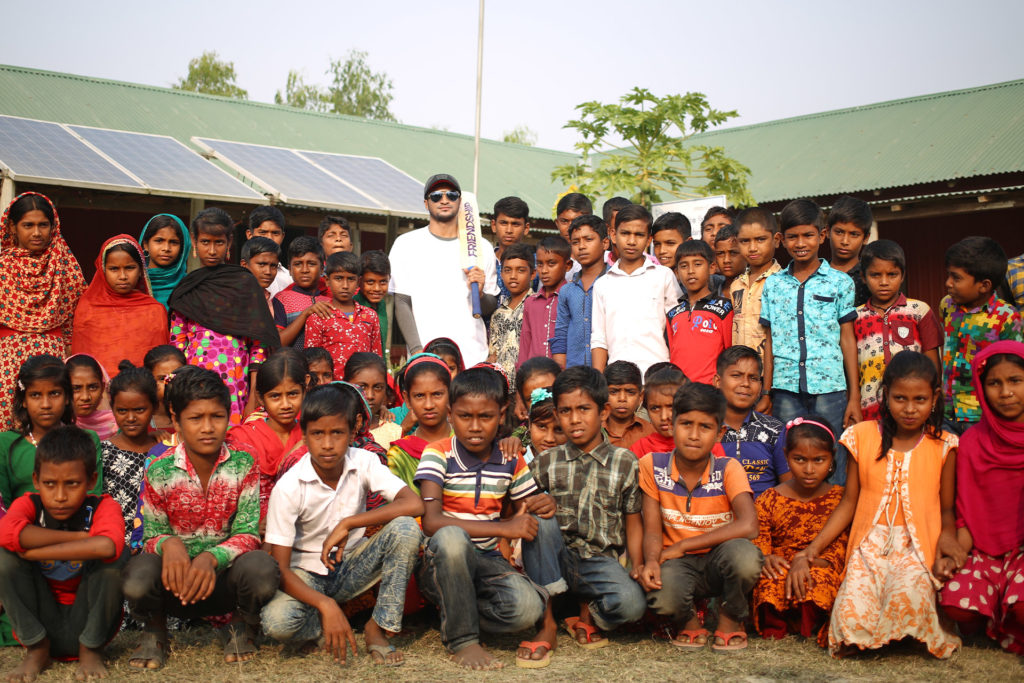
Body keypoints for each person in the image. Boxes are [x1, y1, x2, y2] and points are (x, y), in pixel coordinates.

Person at [791, 351, 962, 659]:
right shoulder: (862, 436)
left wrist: (947, 541)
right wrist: (811, 550)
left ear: (934, 398)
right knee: (849, 615)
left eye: (920, 400)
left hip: (916, 548)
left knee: (909, 594)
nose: (909, 409)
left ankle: (908, 630)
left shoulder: (944, 445)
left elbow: (947, 509)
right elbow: (849, 502)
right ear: (885, 394)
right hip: (868, 547)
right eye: (899, 398)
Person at [122, 365, 280, 669]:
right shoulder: (159, 469)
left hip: (223, 581)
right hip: (175, 582)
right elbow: (151, 535)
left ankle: (239, 625)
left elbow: (248, 533)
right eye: (195, 418)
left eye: (217, 417)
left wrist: (211, 558)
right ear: (177, 420)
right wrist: (170, 545)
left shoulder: (244, 462)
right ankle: (155, 630)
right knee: (137, 575)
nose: (207, 427)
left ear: (228, 417)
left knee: (262, 568)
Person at [262, 382, 423, 666]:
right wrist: (324, 604)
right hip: (305, 575)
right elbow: (282, 571)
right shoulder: (289, 487)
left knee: (406, 529)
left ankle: (378, 627)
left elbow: (414, 504)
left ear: (352, 431)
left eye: (336, 433)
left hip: (351, 566)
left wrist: (350, 522)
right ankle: (326, 622)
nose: (327, 444)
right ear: (304, 435)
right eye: (317, 434)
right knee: (277, 622)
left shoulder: (364, 461)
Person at [415, 367, 555, 670]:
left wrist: (543, 503)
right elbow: (433, 523)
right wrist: (504, 527)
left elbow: (528, 506)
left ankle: (454, 610)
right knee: (452, 538)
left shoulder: (508, 459)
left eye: (486, 417)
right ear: (450, 414)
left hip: (488, 561)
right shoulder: (438, 453)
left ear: (502, 414)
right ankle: (463, 640)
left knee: (526, 610)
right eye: (465, 417)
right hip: (441, 561)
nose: (475, 427)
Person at [523, 366, 647, 649]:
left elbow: (633, 520)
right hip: (553, 559)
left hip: (599, 562)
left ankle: (587, 612)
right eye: (565, 411)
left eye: (583, 409)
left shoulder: (624, 462)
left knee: (632, 605)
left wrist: (636, 566)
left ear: (603, 412)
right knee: (539, 516)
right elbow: (516, 505)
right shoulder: (547, 461)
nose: (574, 419)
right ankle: (547, 622)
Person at [637, 382, 762, 652]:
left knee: (745, 556)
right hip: (678, 564)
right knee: (661, 592)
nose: (694, 435)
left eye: (705, 427)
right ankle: (690, 621)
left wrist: (683, 545)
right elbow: (652, 530)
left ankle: (730, 617)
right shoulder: (652, 465)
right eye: (686, 424)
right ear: (672, 425)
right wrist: (650, 561)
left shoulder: (729, 468)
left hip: (720, 558)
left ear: (719, 433)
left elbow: (749, 525)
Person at [0, 426, 127, 681]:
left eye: (72, 484)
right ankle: (37, 649)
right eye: (49, 484)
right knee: (5, 557)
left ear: (91, 481)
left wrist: (33, 552)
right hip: (41, 620)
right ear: (36, 480)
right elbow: (7, 534)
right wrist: (81, 538)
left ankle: (90, 649)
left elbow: (106, 546)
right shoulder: (28, 504)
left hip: (89, 619)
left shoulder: (103, 505)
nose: (60, 496)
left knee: (116, 559)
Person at [939, 341, 1024, 654]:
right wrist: (956, 556)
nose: (1005, 393)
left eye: (1015, 381)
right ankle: (992, 615)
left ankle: (1006, 610)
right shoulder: (973, 441)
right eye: (994, 383)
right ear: (980, 387)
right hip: (982, 549)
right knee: (957, 607)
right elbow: (966, 509)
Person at [761, 199, 860, 454]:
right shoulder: (773, 285)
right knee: (789, 454)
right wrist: (767, 391)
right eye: (793, 237)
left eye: (808, 235)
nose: (800, 243)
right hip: (785, 389)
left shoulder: (840, 283)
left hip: (831, 389)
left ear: (822, 235)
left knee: (833, 455)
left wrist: (854, 397)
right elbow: (769, 340)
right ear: (781, 239)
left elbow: (848, 340)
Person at [168, 207, 280, 426]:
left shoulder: (244, 283)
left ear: (229, 243)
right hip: (193, 380)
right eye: (205, 242)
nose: (211, 250)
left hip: (237, 380)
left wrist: (253, 393)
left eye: (218, 243)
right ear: (194, 242)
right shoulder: (187, 288)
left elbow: (258, 343)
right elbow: (177, 343)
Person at [752, 416, 846, 640]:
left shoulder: (840, 500)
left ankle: (809, 625)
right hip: (781, 564)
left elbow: (842, 546)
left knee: (816, 581)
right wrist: (767, 558)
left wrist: (811, 563)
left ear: (832, 457)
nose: (809, 469)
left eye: (819, 460)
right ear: (786, 456)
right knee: (770, 581)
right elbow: (760, 537)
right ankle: (776, 627)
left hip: (819, 564)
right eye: (800, 459)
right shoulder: (769, 499)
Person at [388, 174, 498, 365]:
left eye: (452, 195)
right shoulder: (406, 244)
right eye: (436, 196)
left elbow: (490, 306)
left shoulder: (481, 247)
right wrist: (416, 350)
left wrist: (480, 294)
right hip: (426, 354)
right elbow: (402, 302)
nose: (444, 200)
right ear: (426, 203)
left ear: (460, 201)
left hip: (472, 356)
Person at [0, 192, 86, 430]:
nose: (36, 233)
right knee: (9, 431)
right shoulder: (2, 267)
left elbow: (73, 321)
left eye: (43, 225)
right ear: (13, 228)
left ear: (54, 226)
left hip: (52, 357)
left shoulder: (65, 266)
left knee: (52, 429)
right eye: (28, 225)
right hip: (7, 360)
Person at [940, 236, 1024, 435]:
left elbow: (1015, 366)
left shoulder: (1007, 317)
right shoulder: (947, 306)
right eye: (948, 276)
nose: (948, 283)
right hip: (947, 412)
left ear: (984, 286)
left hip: (982, 415)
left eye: (956, 278)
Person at [853, 240, 942, 421]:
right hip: (870, 408)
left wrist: (932, 398)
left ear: (902, 276)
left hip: (913, 406)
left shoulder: (919, 311)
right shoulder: (856, 317)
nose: (884, 282)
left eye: (892, 274)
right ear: (863, 277)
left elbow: (932, 361)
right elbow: (852, 368)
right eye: (876, 275)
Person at [0, 355, 104, 506]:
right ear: (24, 400)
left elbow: (92, 499)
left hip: (77, 526)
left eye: (54, 393)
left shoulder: (86, 439)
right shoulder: (5, 444)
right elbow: (3, 509)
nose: (46, 405)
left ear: (67, 397)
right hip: (20, 526)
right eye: (35, 395)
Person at [591, 204, 681, 374]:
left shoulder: (663, 276)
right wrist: (598, 380)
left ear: (648, 240)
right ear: (613, 235)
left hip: (659, 374)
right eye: (625, 233)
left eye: (639, 235)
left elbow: (678, 329)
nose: (631, 241)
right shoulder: (603, 284)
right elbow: (599, 339)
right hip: (618, 378)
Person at [226, 349, 308, 523]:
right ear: (261, 399)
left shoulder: (312, 435)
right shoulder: (242, 438)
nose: (286, 404)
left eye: (293, 394)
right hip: (253, 528)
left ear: (304, 392)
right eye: (275, 396)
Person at [71, 234, 168, 375]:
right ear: (103, 270)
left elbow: (159, 363)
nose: (122, 276)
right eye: (114, 269)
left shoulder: (154, 310)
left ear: (141, 270)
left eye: (130, 268)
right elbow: (80, 361)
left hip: (141, 390)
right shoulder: (88, 307)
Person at [102, 361, 170, 547]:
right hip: (112, 543)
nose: (130, 418)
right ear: (113, 408)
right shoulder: (103, 452)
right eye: (122, 410)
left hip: (156, 544)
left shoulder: (166, 450)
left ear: (155, 407)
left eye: (139, 410)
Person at [714, 346, 791, 497]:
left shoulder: (774, 430)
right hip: (714, 515)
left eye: (753, 378)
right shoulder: (705, 428)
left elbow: (789, 489)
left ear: (760, 386)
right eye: (736, 375)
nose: (746, 384)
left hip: (764, 515)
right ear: (718, 381)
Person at [730, 207, 783, 403]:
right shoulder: (736, 285)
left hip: (773, 377)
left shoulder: (782, 282)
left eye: (760, 240)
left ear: (776, 240)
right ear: (737, 242)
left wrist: (768, 389)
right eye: (745, 241)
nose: (752, 248)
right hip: (740, 376)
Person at [303, 251, 381, 379]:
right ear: (327, 281)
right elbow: (311, 362)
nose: (345, 285)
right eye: (338, 278)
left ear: (358, 282)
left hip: (362, 389)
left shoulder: (370, 316)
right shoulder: (318, 317)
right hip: (330, 390)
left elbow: (377, 358)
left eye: (351, 279)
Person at [667, 240, 733, 384]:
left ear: (712, 267)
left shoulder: (724, 308)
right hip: (680, 390)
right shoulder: (673, 314)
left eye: (697, 264)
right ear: (677, 272)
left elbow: (730, 353)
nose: (691, 271)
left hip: (712, 391)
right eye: (684, 266)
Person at [387, 354, 452, 491]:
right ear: (408, 400)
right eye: (419, 396)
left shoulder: (466, 443)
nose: (428, 405)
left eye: (437, 394)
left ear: (451, 394)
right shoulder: (399, 456)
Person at [552, 215, 609, 369]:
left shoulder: (615, 283)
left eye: (588, 239)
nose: (581, 246)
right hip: (574, 371)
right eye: (575, 242)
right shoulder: (566, 291)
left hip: (609, 371)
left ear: (605, 243)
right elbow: (561, 334)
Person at [273, 235, 333, 349]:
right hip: (294, 365)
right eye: (298, 264)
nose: (305, 270)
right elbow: (278, 343)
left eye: (311, 264)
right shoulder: (282, 299)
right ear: (289, 269)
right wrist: (305, 314)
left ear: (321, 269)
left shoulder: (330, 302)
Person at [517, 236, 569, 368]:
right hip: (533, 376)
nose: (544, 270)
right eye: (540, 264)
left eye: (551, 263)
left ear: (567, 265)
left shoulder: (571, 298)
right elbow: (525, 344)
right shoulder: (530, 303)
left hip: (562, 376)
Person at [489, 243, 535, 382]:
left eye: (520, 270)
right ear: (501, 273)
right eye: (507, 270)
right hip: (502, 386)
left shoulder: (536, 307)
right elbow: (493, 355)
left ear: (533, 274)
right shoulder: (498, 314)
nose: (513, 276)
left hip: (528, 383)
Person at [631, 365, 689, 458]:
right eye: (655, 408)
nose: (664, 416)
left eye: (671, 407)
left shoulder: (704, 446)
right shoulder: (640, 449)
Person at [344, 353, 400, 448]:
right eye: (362, 387)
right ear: (346, 385)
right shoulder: (332, 426)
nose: (370, 396)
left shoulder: (394, 432)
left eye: (378, 387)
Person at [826, 196, 873, 307]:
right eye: (839, 232)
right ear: (828, 231)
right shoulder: (816, 275)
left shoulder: (870, 277)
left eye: (854, 234)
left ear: (866, 238)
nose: (845, 241)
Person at [138, 213, 190, 309]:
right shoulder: (132, 283)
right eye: (159, 241)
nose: (166, 248)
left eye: (174, 242)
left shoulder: (190, 287)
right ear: (145, 244)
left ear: (182, 248)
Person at [354, 250, 395, 364]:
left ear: (389, 279)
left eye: (383, 282)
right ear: (359, 280)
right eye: (370, 282)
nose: (377, 288)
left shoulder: (381, 305)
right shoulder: (354, 306)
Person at [240, 237, 288, 331]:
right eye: (262, 264)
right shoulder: (230, 296)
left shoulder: (274, 303)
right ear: (244, 265)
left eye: (273, 266)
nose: (268, 272)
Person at [66, 353, 117, 441]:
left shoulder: (117, 425)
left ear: (102, 388)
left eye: (93, 387)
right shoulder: (57, 427)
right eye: (76, 388)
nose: (85, 397)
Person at [603, 360, 654, 449]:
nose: (622, 398)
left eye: (630, 392)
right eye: (614, 392)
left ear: (641, 396)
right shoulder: (592, 432)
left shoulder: (651, 433)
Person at [246, 206, 292, 296]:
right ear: (249, 235)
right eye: (263, 232)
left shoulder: (289, 279)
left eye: (275, 233)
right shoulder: (235, 278)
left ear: (282, 236)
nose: (269, 238)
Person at [491, 196, 531, 299]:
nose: (509, 230)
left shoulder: (536, 263)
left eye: (515, 224)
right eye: (504, 223)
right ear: (494, 225)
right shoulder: (483, 260)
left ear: (526, 228)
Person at [142, 345, 185, 435]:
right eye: (162, 378)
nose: (170, 382)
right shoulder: (142, 417)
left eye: (175, 376)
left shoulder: (193, 412)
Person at [523, 387, 567, 463]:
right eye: (542, 426)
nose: (549, 439)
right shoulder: (517, 464)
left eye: (559, 429)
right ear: (530, 424)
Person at [712, 224, 745, 295]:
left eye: (733, 253)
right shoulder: (711, 287)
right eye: (720, 253)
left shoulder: (757, 288)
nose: (726, 260)